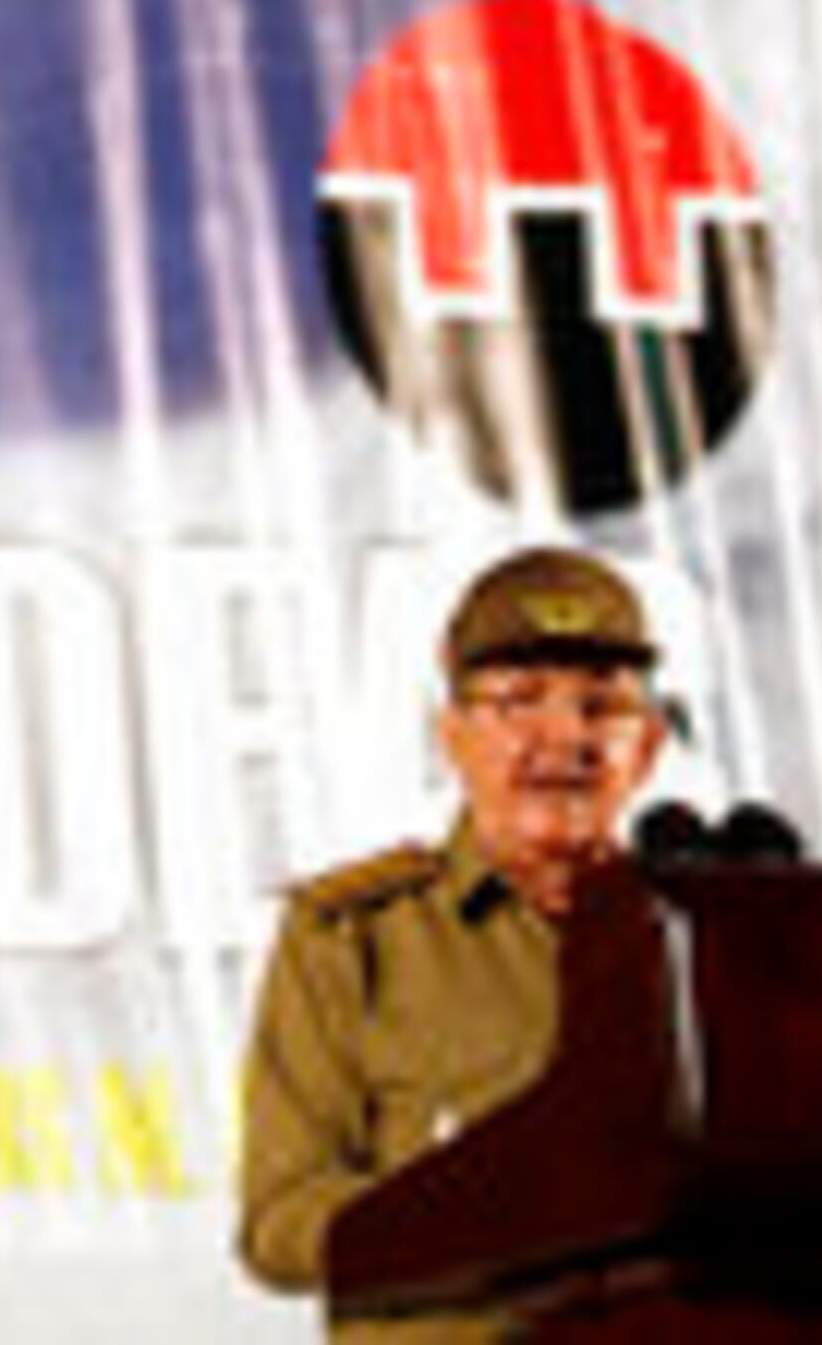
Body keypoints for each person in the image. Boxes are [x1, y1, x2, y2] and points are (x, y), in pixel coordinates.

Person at [234, 546, 671, 1325]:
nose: (564, 736)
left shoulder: (700, 936)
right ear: (455, 736)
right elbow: (277, 1227)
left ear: (647, 748)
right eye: (519, 700)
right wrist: (483, 1209)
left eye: (601, 706)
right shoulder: (351, 937)